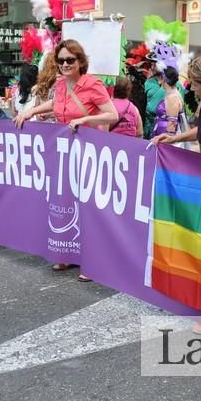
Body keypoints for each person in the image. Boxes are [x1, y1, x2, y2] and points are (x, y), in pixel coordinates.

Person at [14, 40, 118, 281]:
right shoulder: (61, 84)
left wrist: (84, 121)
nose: (64, 64)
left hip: (91, 153)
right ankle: (69, 254)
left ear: (80, 61)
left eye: (70, 60)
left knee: (90, 208)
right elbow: (55, 104)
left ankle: (94, 262)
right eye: (60, 61)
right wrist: (31, 112)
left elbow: (112, 114)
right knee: (69, 203)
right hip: (67, 154)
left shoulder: (93, 84)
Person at [150, 66, 185, 139]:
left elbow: (172, 124)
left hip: (164, 135)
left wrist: (166, 143)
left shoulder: (172, 98)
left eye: (160, 77)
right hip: (160, 133)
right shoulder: (171, 94)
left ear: (164, 80)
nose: (159, 80)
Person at [32, 54, 60, 123]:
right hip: (59, 127)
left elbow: (36, 107)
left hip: (44, 127)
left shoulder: (41, 84)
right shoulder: (63, 82)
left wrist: (39, 114)